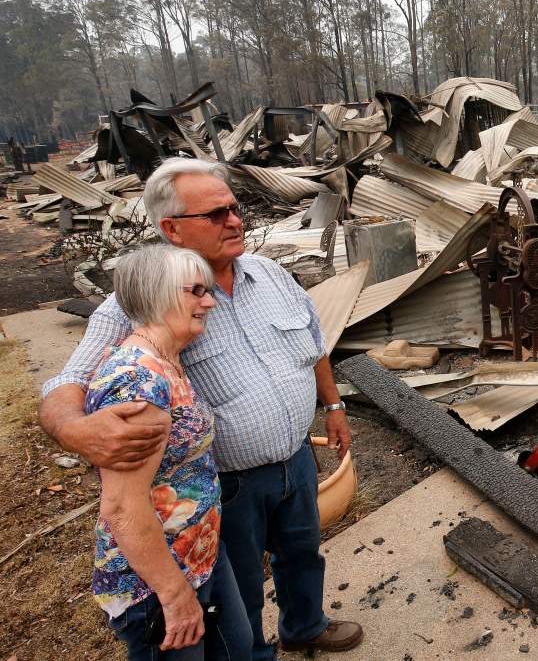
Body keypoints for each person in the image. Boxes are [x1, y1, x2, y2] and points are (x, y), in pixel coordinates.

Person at [40, 158, 364, 658]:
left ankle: (305, 625)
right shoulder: (142, 300)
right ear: (170, 228)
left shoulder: (271, 274)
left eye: (234, 208)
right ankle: (254, 652)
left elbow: (314, 344)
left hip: (296, 459)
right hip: (228, 482)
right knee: (239, 594)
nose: (235, 221)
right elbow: (70, 380)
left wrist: (334, 405)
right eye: (215, 215)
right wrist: (73, 430)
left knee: (302, 554)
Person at [87, 245, 251, 659]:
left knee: (238, 647)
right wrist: (174, 595)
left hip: (199, 552)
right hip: (157, 583)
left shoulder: (168, 360)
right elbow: (122, 506)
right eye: (196, 290)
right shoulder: (138, 383)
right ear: (159, 293)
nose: (209, 301)